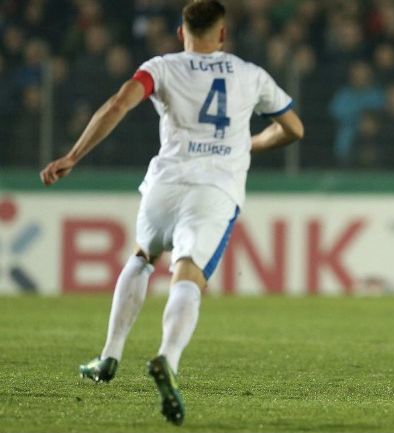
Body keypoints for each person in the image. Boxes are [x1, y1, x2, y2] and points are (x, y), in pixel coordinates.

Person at [39, 0, 304, 425]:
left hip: (163, 185)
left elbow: (116, 105)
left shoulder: (160, 67)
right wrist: (250, 143)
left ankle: (108, 356)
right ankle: (167, 359)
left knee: (143, 256)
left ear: (181, 33)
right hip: (213, 189)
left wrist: (73, 155)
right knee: (187, 274)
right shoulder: (250, 75)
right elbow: (294, 128)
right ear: (222, 34)